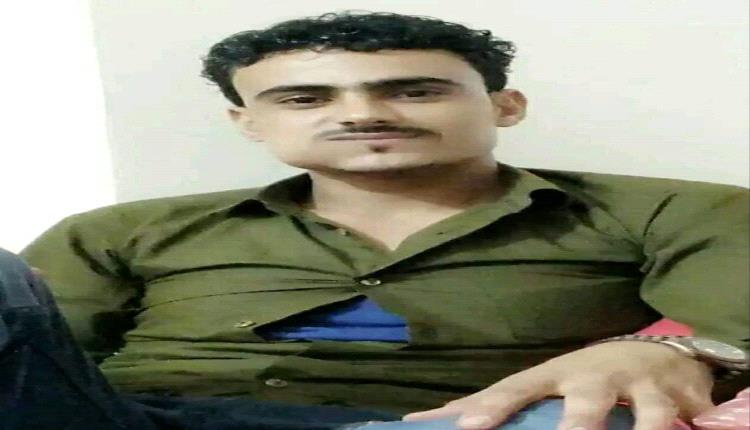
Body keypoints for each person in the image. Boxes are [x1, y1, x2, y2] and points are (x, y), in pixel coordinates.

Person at [4, 10, 748, 430]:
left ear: (504, 106)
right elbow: (38, 364)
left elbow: (729, 321)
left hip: (459, 422)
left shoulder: (669, 209)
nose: (361, 114)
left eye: (414, 91)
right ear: (248, 121)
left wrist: (676, 351)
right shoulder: (123, 230)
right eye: (306, 99)